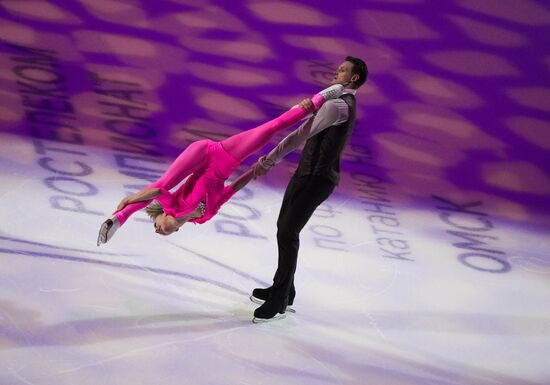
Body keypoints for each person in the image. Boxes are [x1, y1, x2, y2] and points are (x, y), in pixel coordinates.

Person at [96, 84, 345, 245]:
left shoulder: (172, 206)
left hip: (206, 151)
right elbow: (231, 189)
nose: (157, 229)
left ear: (162, 215)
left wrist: (131, 198)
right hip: (228, 158)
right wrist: (256, 169)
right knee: (271, 129)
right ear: (176, 231)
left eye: (155, 225)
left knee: (163, 182)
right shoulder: (202, 218)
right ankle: (313, 104)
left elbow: (158, 191)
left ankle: (120, 219)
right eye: (161, 231)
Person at [250, 56, 368, 323]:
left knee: (288, 232)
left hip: (317, 179)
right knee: (284, 228)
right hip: (305, 174)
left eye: (343, 70)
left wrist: (269, 161)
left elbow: (300, 135)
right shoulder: (333, 102)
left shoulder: (338, 106)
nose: (336, 72)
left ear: (354, 79)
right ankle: (285, 290)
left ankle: (279, 300)